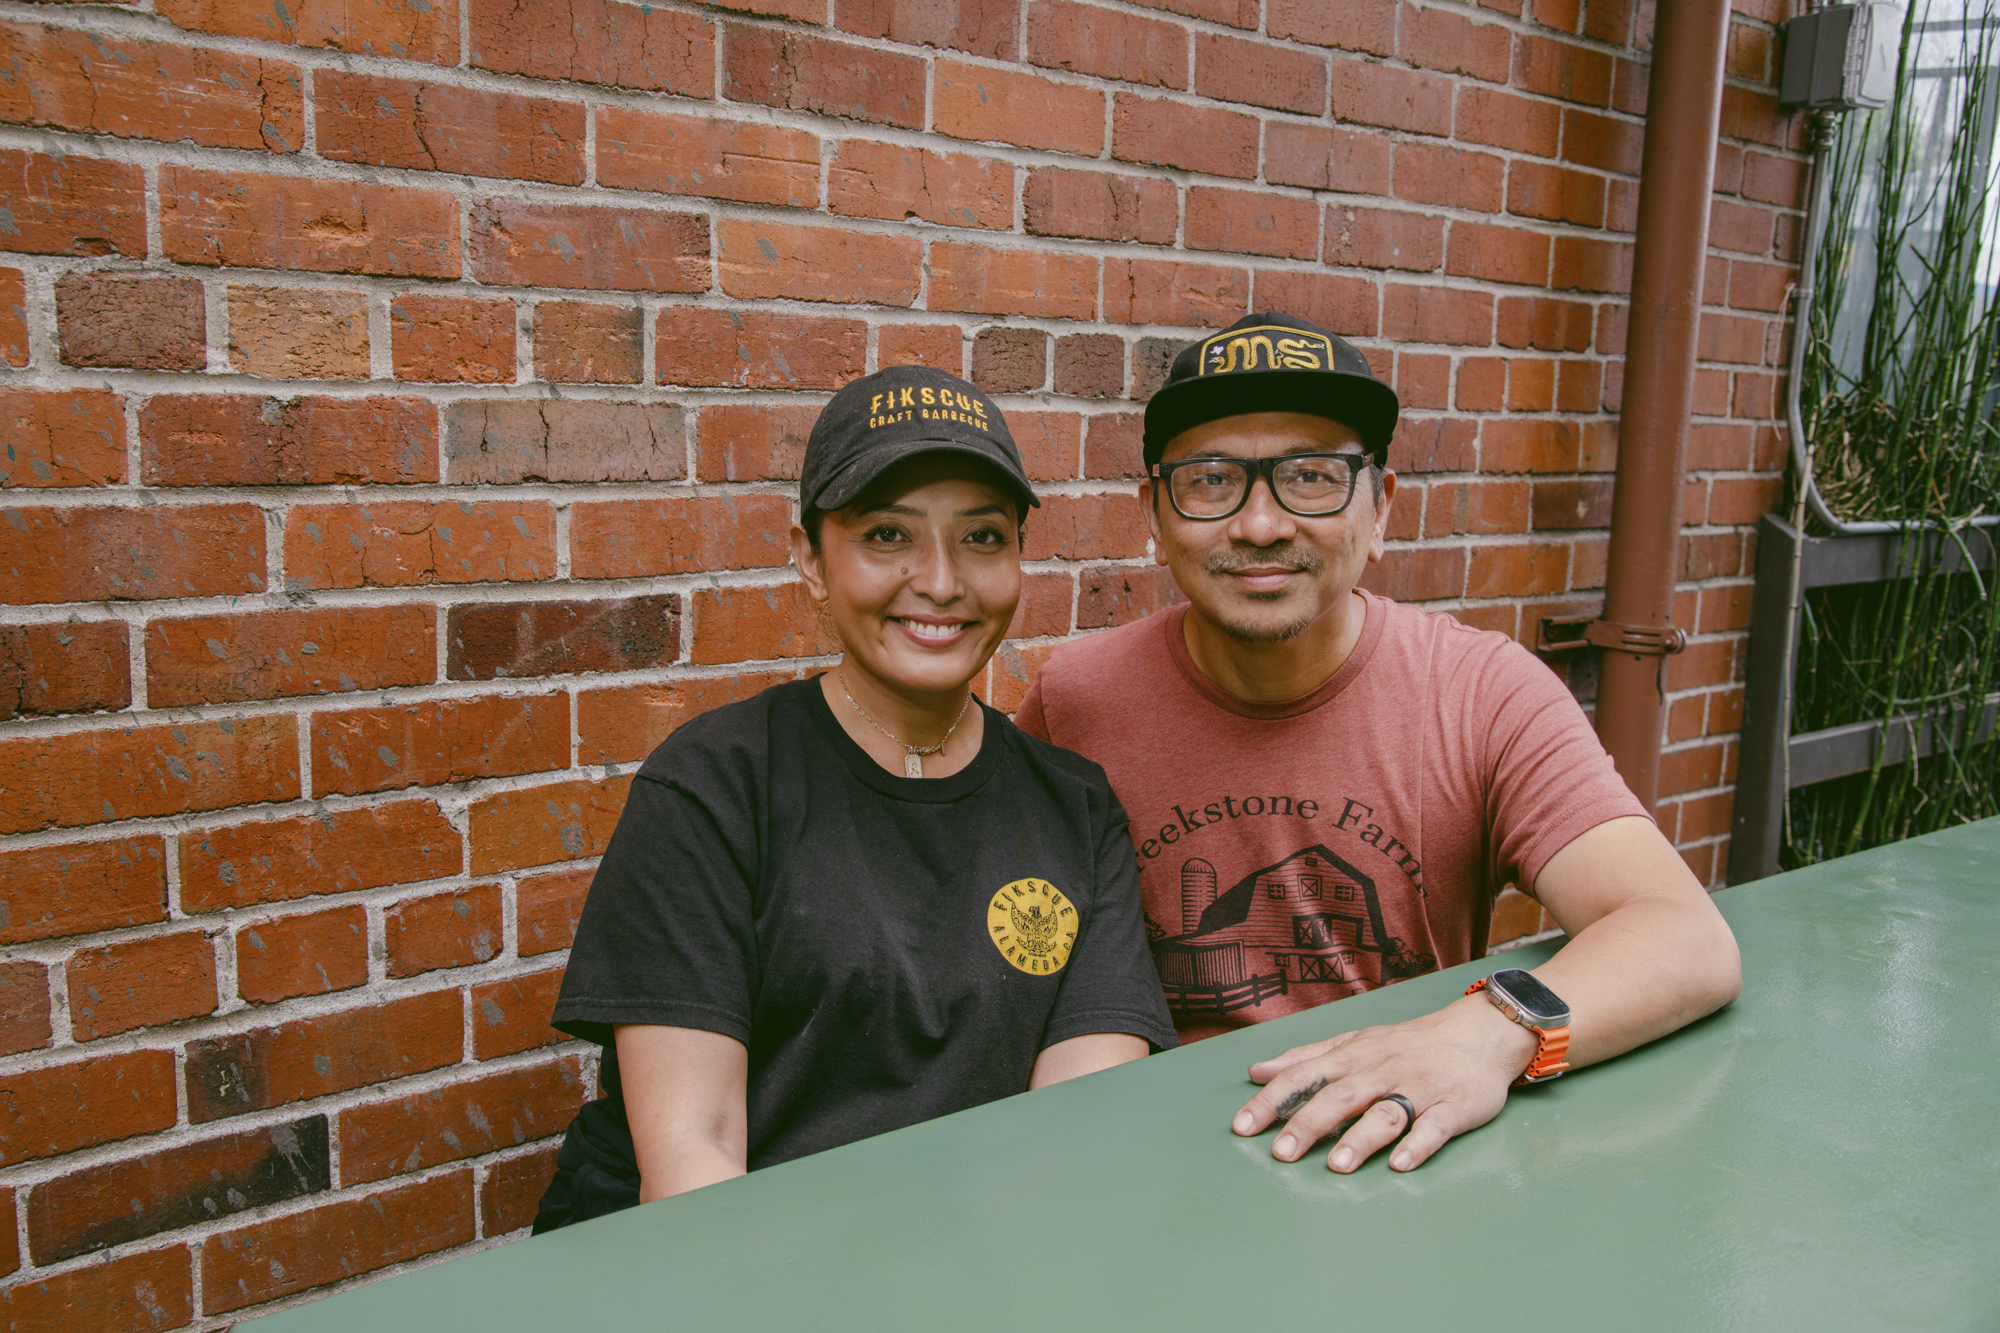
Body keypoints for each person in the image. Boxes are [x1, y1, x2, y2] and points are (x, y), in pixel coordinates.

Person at [1016, 312, 1742, 1177]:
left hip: (1397, 1158)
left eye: (1313, 477)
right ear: (1156, 512)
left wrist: (1489, 1032)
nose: (1259, 524)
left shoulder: (1480, 693)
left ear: (1382, 506)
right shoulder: (1077, 700)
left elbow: (1684, 935)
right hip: (1159, 1165)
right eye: (1212, 480)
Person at [534, 366, 1175, 1228]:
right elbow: (693, 1159)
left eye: (982, 536)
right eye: (886, 534)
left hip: (959, 1260)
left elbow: (1073, 1136)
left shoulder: (1074, 805)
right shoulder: (715, 787)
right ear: (809, 557)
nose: (941, 580)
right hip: (700, 1270)